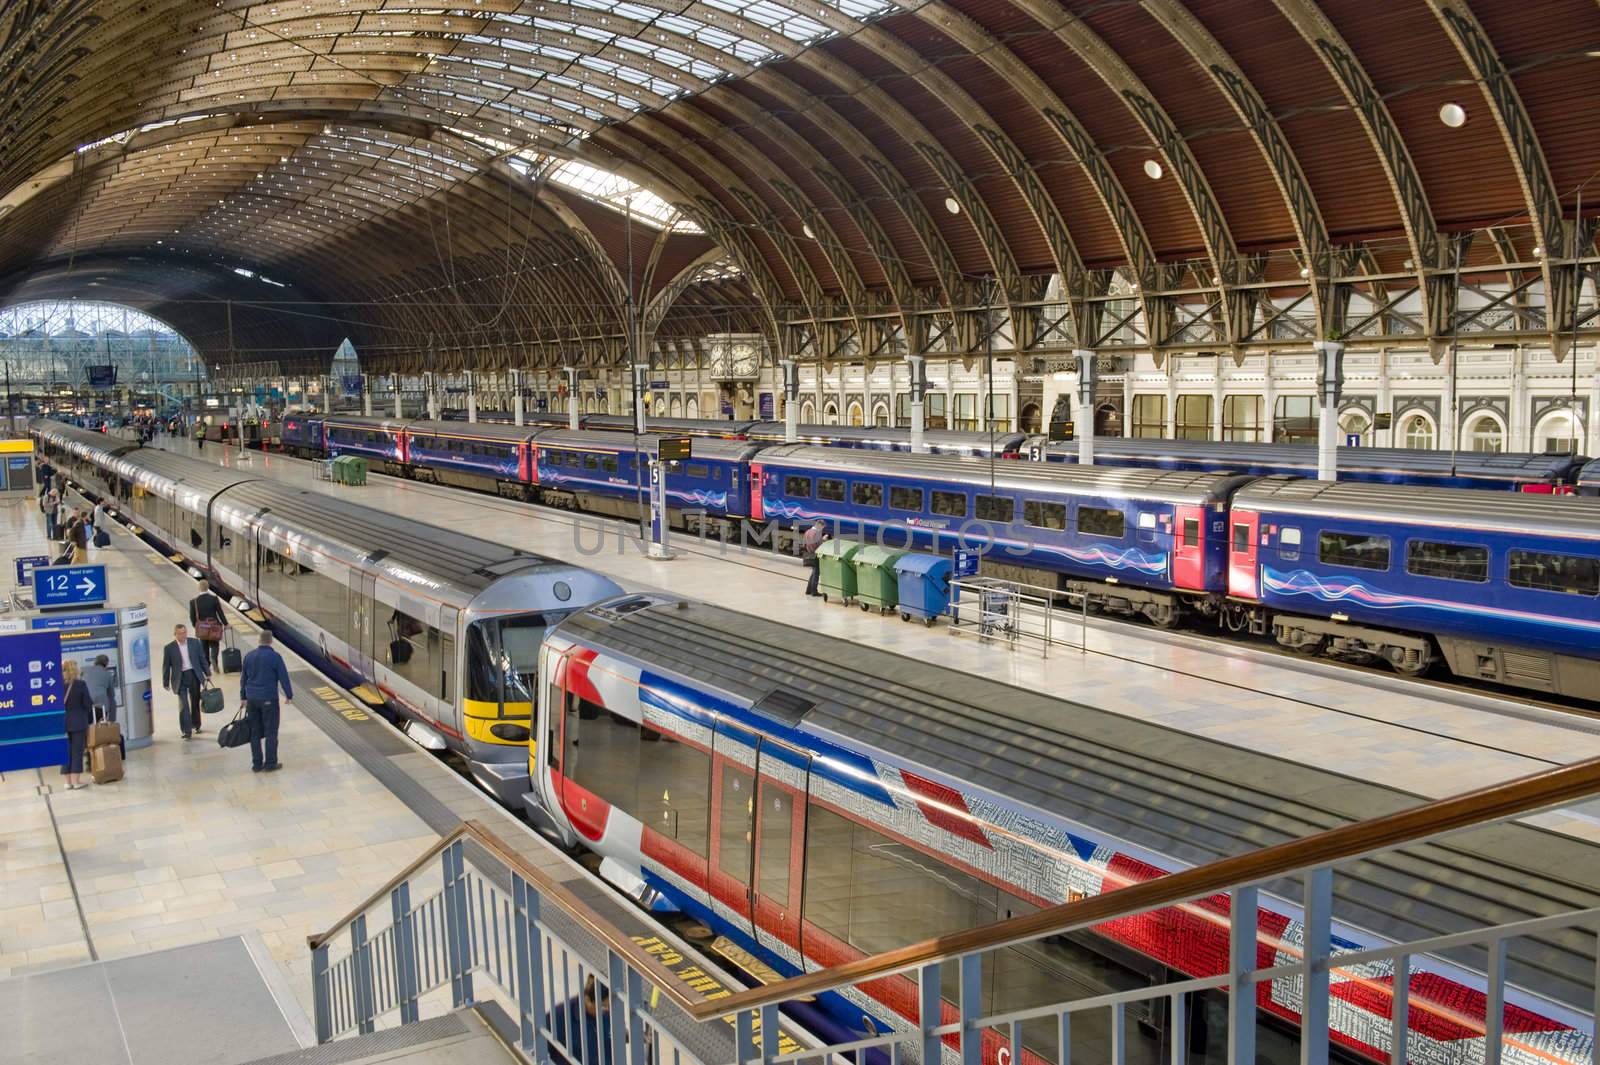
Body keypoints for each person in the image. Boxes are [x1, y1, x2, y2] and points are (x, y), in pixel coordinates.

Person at [238, 630, 292, 772]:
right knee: (271, 732)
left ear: (259, 640)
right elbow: (283, 677)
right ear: (271, 641)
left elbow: (243, 679)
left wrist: (243, 697)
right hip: (268, 699)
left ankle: (256, 764)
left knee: (255, 732)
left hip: (251, 699)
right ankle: (270, 763)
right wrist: (289, 695)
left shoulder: (249, 656)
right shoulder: (275, 657)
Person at [161, 623, 211, 739]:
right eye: (180, 633)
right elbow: (166, 666)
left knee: (195, 701)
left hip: (194, 674)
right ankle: (186, 730)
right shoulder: (169, 648)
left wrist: (207, 673)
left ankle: (196, 725)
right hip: (180, 677)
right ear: (175, 634)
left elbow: (201, 658)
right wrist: (165, 682)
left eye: (185, 633)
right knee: (184, 705)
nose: (183, 635)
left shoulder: (194, 643)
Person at [61, 660, 93, 790]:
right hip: (78, 723)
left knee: (65, 752)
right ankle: (76, 781)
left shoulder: (56, 686)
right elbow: (87, 703)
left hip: (62, 723)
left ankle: (67, 782)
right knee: (77, 751)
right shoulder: (80, 684)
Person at [189, 580, 227, 671]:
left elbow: (192, 617)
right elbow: (220, 612)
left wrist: (196, 626)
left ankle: (206, 665)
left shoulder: (193, 602)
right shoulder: (214, 599)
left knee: (204, 647)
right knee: (214, 644)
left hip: (202, 628)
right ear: (208, 587)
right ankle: (214, 659)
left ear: (198, 588)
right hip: (214, 626)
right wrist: (226, 623)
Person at [801, 518, 828, 597]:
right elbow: (819, 545)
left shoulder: (807, 531)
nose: (822, 529)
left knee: (813, 573)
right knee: (816, 573)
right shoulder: (817, 533)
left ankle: (808, 590)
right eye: (823, 527)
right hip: (815, 555)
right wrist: (823, 539)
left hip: (808, 554)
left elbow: (804, 544)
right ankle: (814, 591)